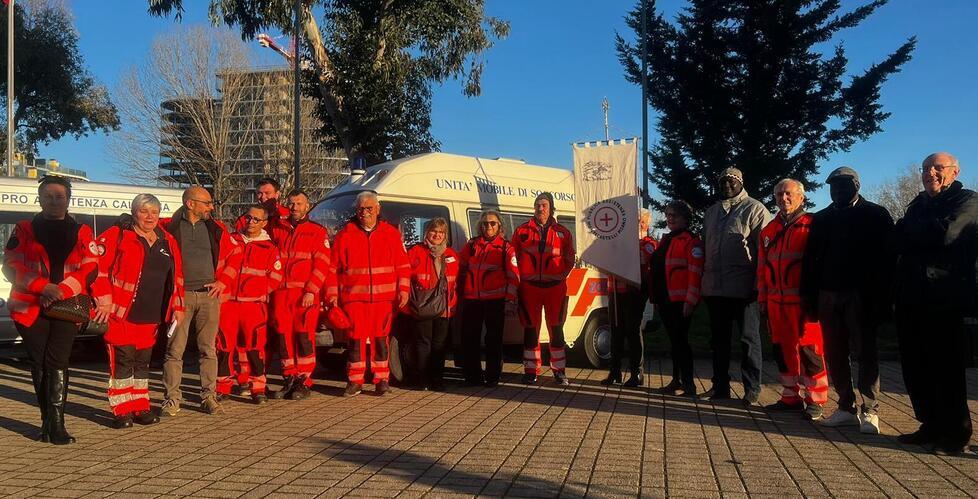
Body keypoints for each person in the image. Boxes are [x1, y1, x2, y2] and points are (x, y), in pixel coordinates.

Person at [2, 176, 100, 444]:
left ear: (68, 200)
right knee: (39, 362)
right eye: (48, 196)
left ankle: (56, 424)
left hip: (67, 305)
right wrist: (43, 287)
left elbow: (91, 266)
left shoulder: (81, 230)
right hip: (30, 305)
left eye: (60, 196)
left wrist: (63, 290)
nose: (54, 201)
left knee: (57, 361)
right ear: (40, 199)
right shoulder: (23, 229)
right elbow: (11, 264)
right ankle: (48, 420)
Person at [892, 152, 976, 455]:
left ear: (954, 171)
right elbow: (897, 238)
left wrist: (915, 233)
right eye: (926, 169)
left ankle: (955, 432)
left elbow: (947, 234)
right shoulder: (919, 203)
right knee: (916, 366)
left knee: (945, 367)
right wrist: (919, 232)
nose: (931, 173)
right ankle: (929, 424)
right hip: (911, 296)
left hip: (944, 298)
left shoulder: (967, 200)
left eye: (938, 168)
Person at [802, 166, 893, 433]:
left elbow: (887, 261)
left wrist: (883, 299)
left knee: (865, 352)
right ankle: (845, 407)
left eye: (844, 185)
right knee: (835, 352)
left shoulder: (875, 214)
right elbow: (811, 262)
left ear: (857, 186)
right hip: (828, 294)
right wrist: (809, 298)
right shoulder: (822, 218)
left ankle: (870, 409)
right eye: (833, 186)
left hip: (861, 295)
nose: (838, 190)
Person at [92, 194, 186, 429]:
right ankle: (122, 410)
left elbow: (178, 278)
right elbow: (96, 267)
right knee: (123, 361)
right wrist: (103, 300)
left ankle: (140, 406)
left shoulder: (167, 240)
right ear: (134, 213)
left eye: (154, 212)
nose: (150, 216)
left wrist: (179, 306)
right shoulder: (119, 235)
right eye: (144, 211)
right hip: (122, 312)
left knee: (143, 363)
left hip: (153, 313)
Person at [158, 186, 238, 416]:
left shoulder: (216, 228)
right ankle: (172, 399)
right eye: (207, 203)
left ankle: (209, 397)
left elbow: (236, 254)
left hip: (209, 297)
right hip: (179, 298)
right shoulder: (168, 228)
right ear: (190, 204)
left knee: (208, 349)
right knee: (175, 350)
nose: (211, 207)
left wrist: (223, 280)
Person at [757, 179, 829, 420]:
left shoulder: (813, 226)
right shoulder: (769, 230)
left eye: (788, 194)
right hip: (776, 304)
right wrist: (762, 298)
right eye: (778, 195)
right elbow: (762, 268)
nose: (782, 199)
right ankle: (790, 397)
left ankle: (816, 400)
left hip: (804, 304)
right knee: (782, 350)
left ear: (801, 197)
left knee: (810, 352)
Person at [328, 191, 411, 397]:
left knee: (381, 340)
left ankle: (381, 379)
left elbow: (403, 266)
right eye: (361, 209)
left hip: (384, 301)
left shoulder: (391, 234)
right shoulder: (344, 235)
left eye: (369, 208)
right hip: (354, 300)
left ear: (378, 209)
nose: (365, 212)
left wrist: (403, 289)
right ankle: (355, 380)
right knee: (355, 340)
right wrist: (332, 295)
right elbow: (332, 269)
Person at [700, 167, 771, 404]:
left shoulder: (755, 209)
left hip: (744, 288)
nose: (727, 185)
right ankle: (720, 387)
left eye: (732, 181)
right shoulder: (711, 212)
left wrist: (758, 284)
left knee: (748, 340)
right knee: (719, 341)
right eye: (723, 182)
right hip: (715, 289)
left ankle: (752, 389)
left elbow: (765, 251)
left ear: (741, 182)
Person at [215, 204, 284, 404]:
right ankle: (222, 386)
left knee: (255, 348)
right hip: (228, 303)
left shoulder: (269, 247)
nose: (250, 222)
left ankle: (258, 387)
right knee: (224, 346)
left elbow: (275, 278)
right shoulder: (231, 241)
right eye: (248, 217)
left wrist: (255, 291)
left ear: (264, 223)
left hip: (254, 306)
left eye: (255, 219)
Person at [270, 190, 332, 400]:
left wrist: (311, 290)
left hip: (304, 294)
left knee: (304, 337)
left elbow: (322, 264)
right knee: (283, 338)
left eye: (299, 203)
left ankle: (304, 381)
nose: (295, 207)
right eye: (292, 203)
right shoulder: (278, 230)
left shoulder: (316, 231)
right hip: (281, 293)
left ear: (308, 206)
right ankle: (289, 378)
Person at [512, 192, 576, 386]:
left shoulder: (563, 232)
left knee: (556, 330)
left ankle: (559, 371)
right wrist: (520, 280)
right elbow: (513, 257)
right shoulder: (522, 231)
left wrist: (558, 276)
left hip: (554, 288)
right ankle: (531, 371)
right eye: (538, 205)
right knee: (531, 329)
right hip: (529, 287)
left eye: (544, 205)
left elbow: (569, 258)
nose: (541, 209)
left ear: (551, 208)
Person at [648, 201, 703, 397]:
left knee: (681, 343)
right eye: (668, 215)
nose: (670, 218)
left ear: (685, 218)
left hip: (680, 301)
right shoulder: (666, 239)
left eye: (675, 215)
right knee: (674, 342)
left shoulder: (691, 241)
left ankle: (689, 385)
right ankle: (676, 380)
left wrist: (691, 300)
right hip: (664, 300)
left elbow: (695, 272)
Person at [459, 211, 519, 387]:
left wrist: (509, 300)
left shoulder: (506, 248)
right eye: (485, 223)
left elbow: (513, 277)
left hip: (495, 300)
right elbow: (459, 265)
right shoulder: (471, 245)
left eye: (492, 223)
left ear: (499, 226)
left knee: (493, 340)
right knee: (470, 339)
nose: (488, 227)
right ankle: (472, 377)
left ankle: (492, 377)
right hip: (472, 300)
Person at [602, 209, 656, 387]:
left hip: (633, 292)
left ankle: (637, 374)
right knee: (615, 332)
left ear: (647, 225)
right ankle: (614, 371)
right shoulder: (619, 242)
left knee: (633, 332)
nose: (638, 224)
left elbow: (642, 260)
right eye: (636, 221)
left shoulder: (648, 243)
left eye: (642, 221)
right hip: (614, 290)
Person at [403, 218, 459, 391]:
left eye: (441, 232)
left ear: (445, 236)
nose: (437, 235)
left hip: (445, 308)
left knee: (439, 345)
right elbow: (405, 275)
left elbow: (456, 281)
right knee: (423, 343)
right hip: (423, 306)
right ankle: (422, 380)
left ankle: (437, 380)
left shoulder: (451, 254)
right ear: (427, 232)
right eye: (433, 231)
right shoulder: (416, 251)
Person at [234, 177, 292, 244]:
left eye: (267, 193)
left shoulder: (288, 216)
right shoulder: (245, 219)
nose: (263, 197)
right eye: (259, 193)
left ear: (277, 195)